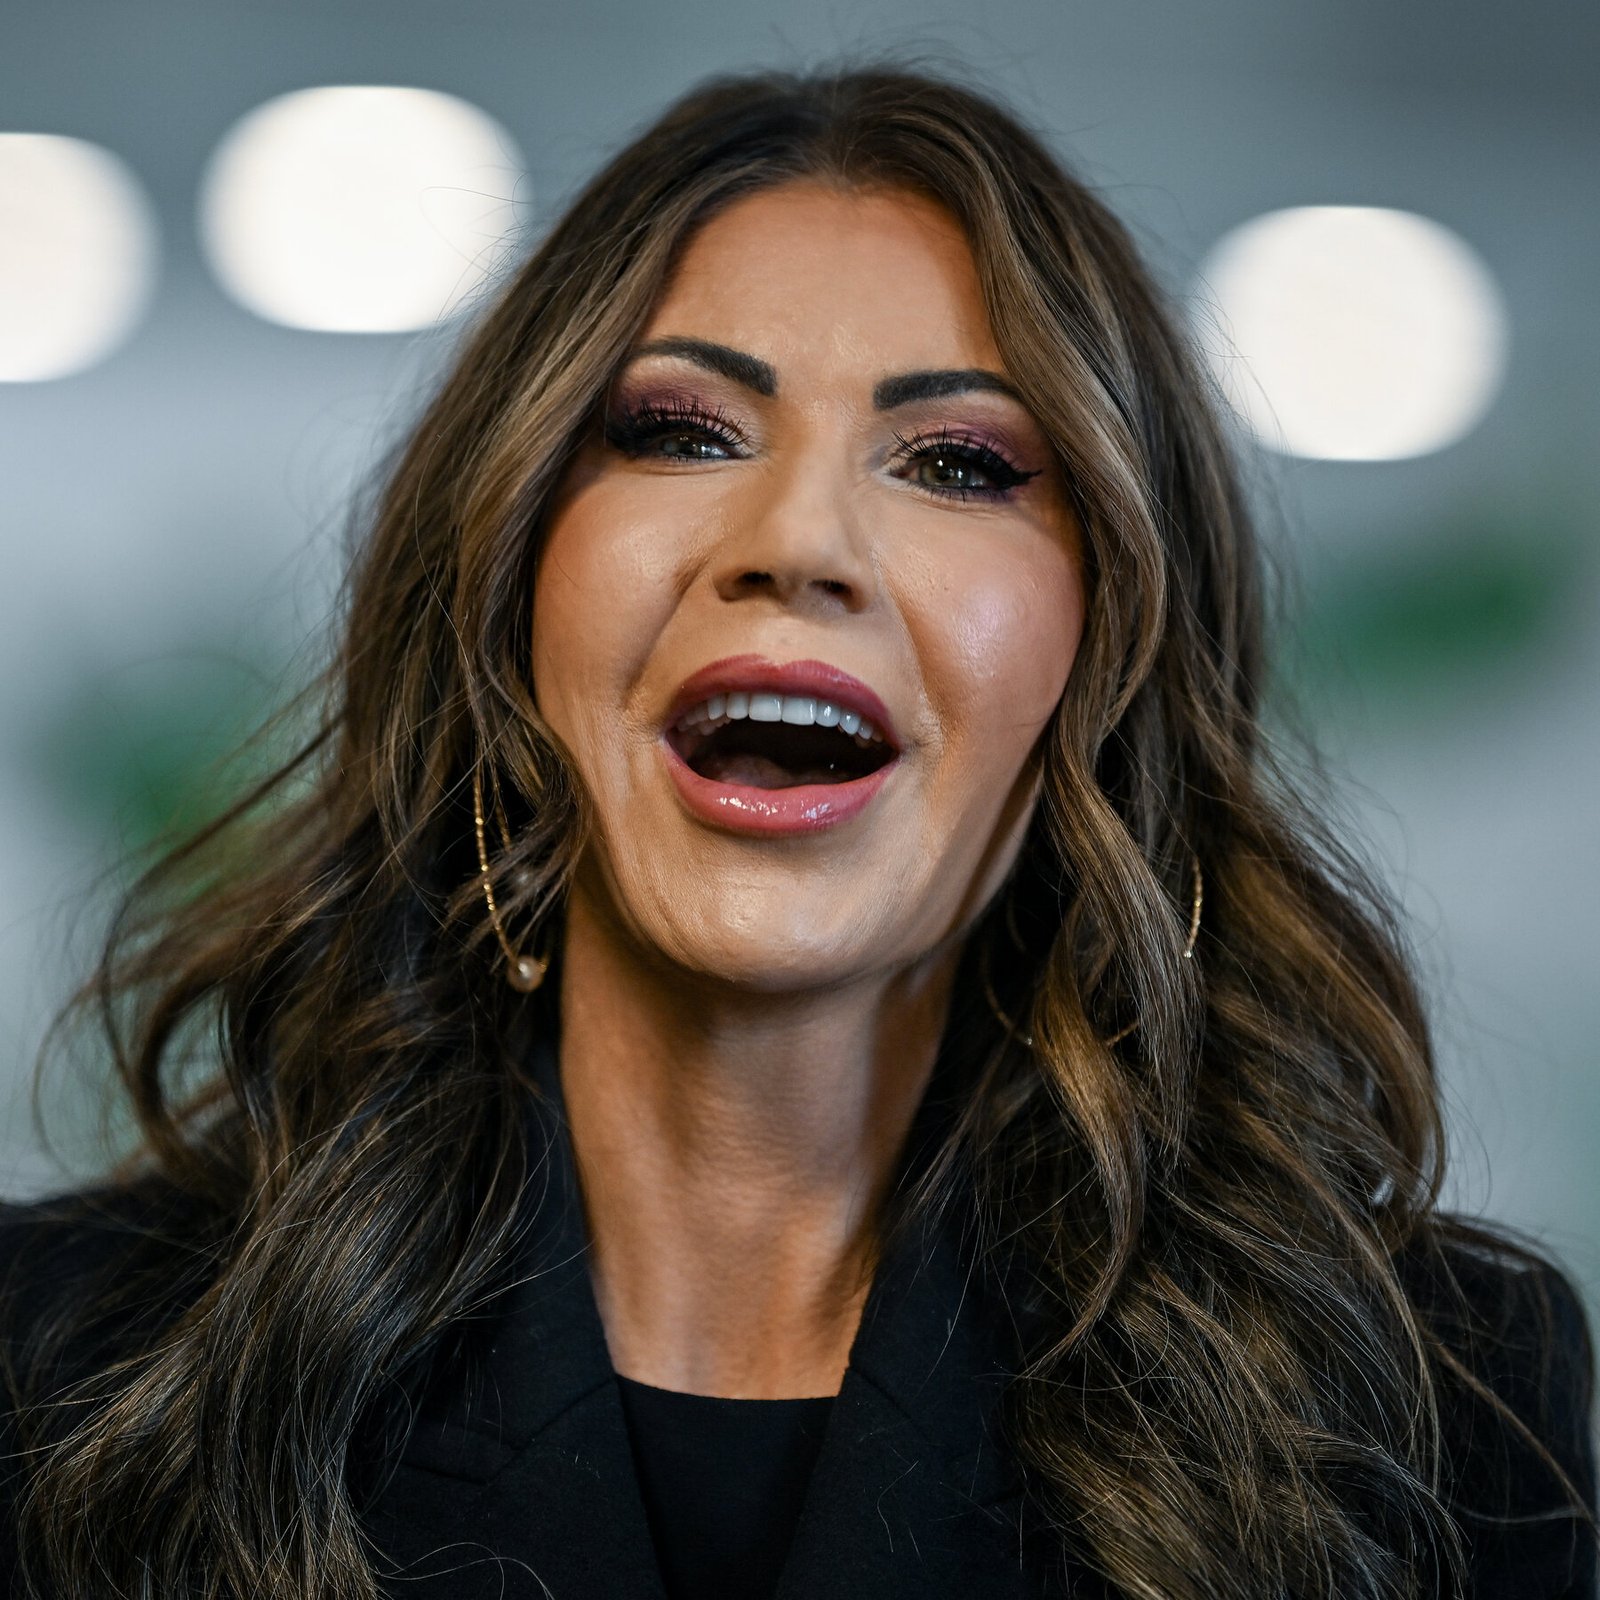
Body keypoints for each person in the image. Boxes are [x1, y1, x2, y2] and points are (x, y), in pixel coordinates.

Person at [0, 66, 1593, 1600]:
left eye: (959, 462)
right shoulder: (60, 1358)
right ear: (509, 586)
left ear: (1109, 651)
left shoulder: (1439, 1408)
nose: (801, 542)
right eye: (683, 433)